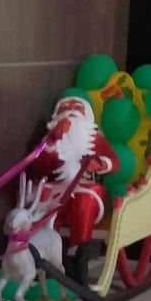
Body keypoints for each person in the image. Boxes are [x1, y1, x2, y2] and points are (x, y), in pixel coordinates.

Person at [31, 96, 119, 283]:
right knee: (44, 198)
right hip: (58, 189)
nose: (70, 110)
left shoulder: (95, 139)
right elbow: (37, 166)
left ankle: (77, 254)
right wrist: (52, 141)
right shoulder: (48, 141)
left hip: (87, 188)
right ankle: (44, 254)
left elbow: (114, 162)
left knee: (84, 201)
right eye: (65, 107)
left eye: (77, 107)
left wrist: (100, 164)